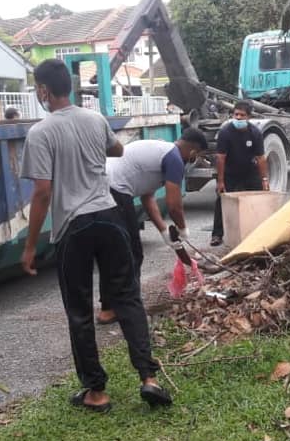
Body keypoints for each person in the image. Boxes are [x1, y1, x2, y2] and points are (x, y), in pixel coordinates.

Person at [19, 59, 171, 411]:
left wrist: (29, 248)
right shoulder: (95, 119)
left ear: (43, 90)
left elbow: (42, 192)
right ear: (69, 87)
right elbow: (117, 150)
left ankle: (96, 391)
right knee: (128, 297)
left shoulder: (40, 133)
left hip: (75, 226)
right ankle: (149, 377)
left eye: (37, 89)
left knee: (79, 310)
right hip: (110, 217)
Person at [95, 128, 209, 325]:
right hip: (115, 191)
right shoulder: (174, 159)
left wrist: (164, 231)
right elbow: (174, 206)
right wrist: (183, 229)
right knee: (130, 253)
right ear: (192, 151)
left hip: (104, 186)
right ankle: (125, 306)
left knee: (113, 252)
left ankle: (109, 307)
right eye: (198, 156)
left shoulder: (163, 152)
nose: (196, 159)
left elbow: (147, 197)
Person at [210, 100, 269, 247]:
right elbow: (220, 158)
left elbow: (261, 158)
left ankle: (260, 231)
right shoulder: (225, 132)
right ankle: (217, 234)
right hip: (230, 171)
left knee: (258, 199)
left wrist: (264, 179)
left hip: (249, 170)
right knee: (222, 199)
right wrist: (220, 181)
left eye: (242, 115)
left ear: (248, 117)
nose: (238, 118)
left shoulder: (255, 133)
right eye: (236, 114)